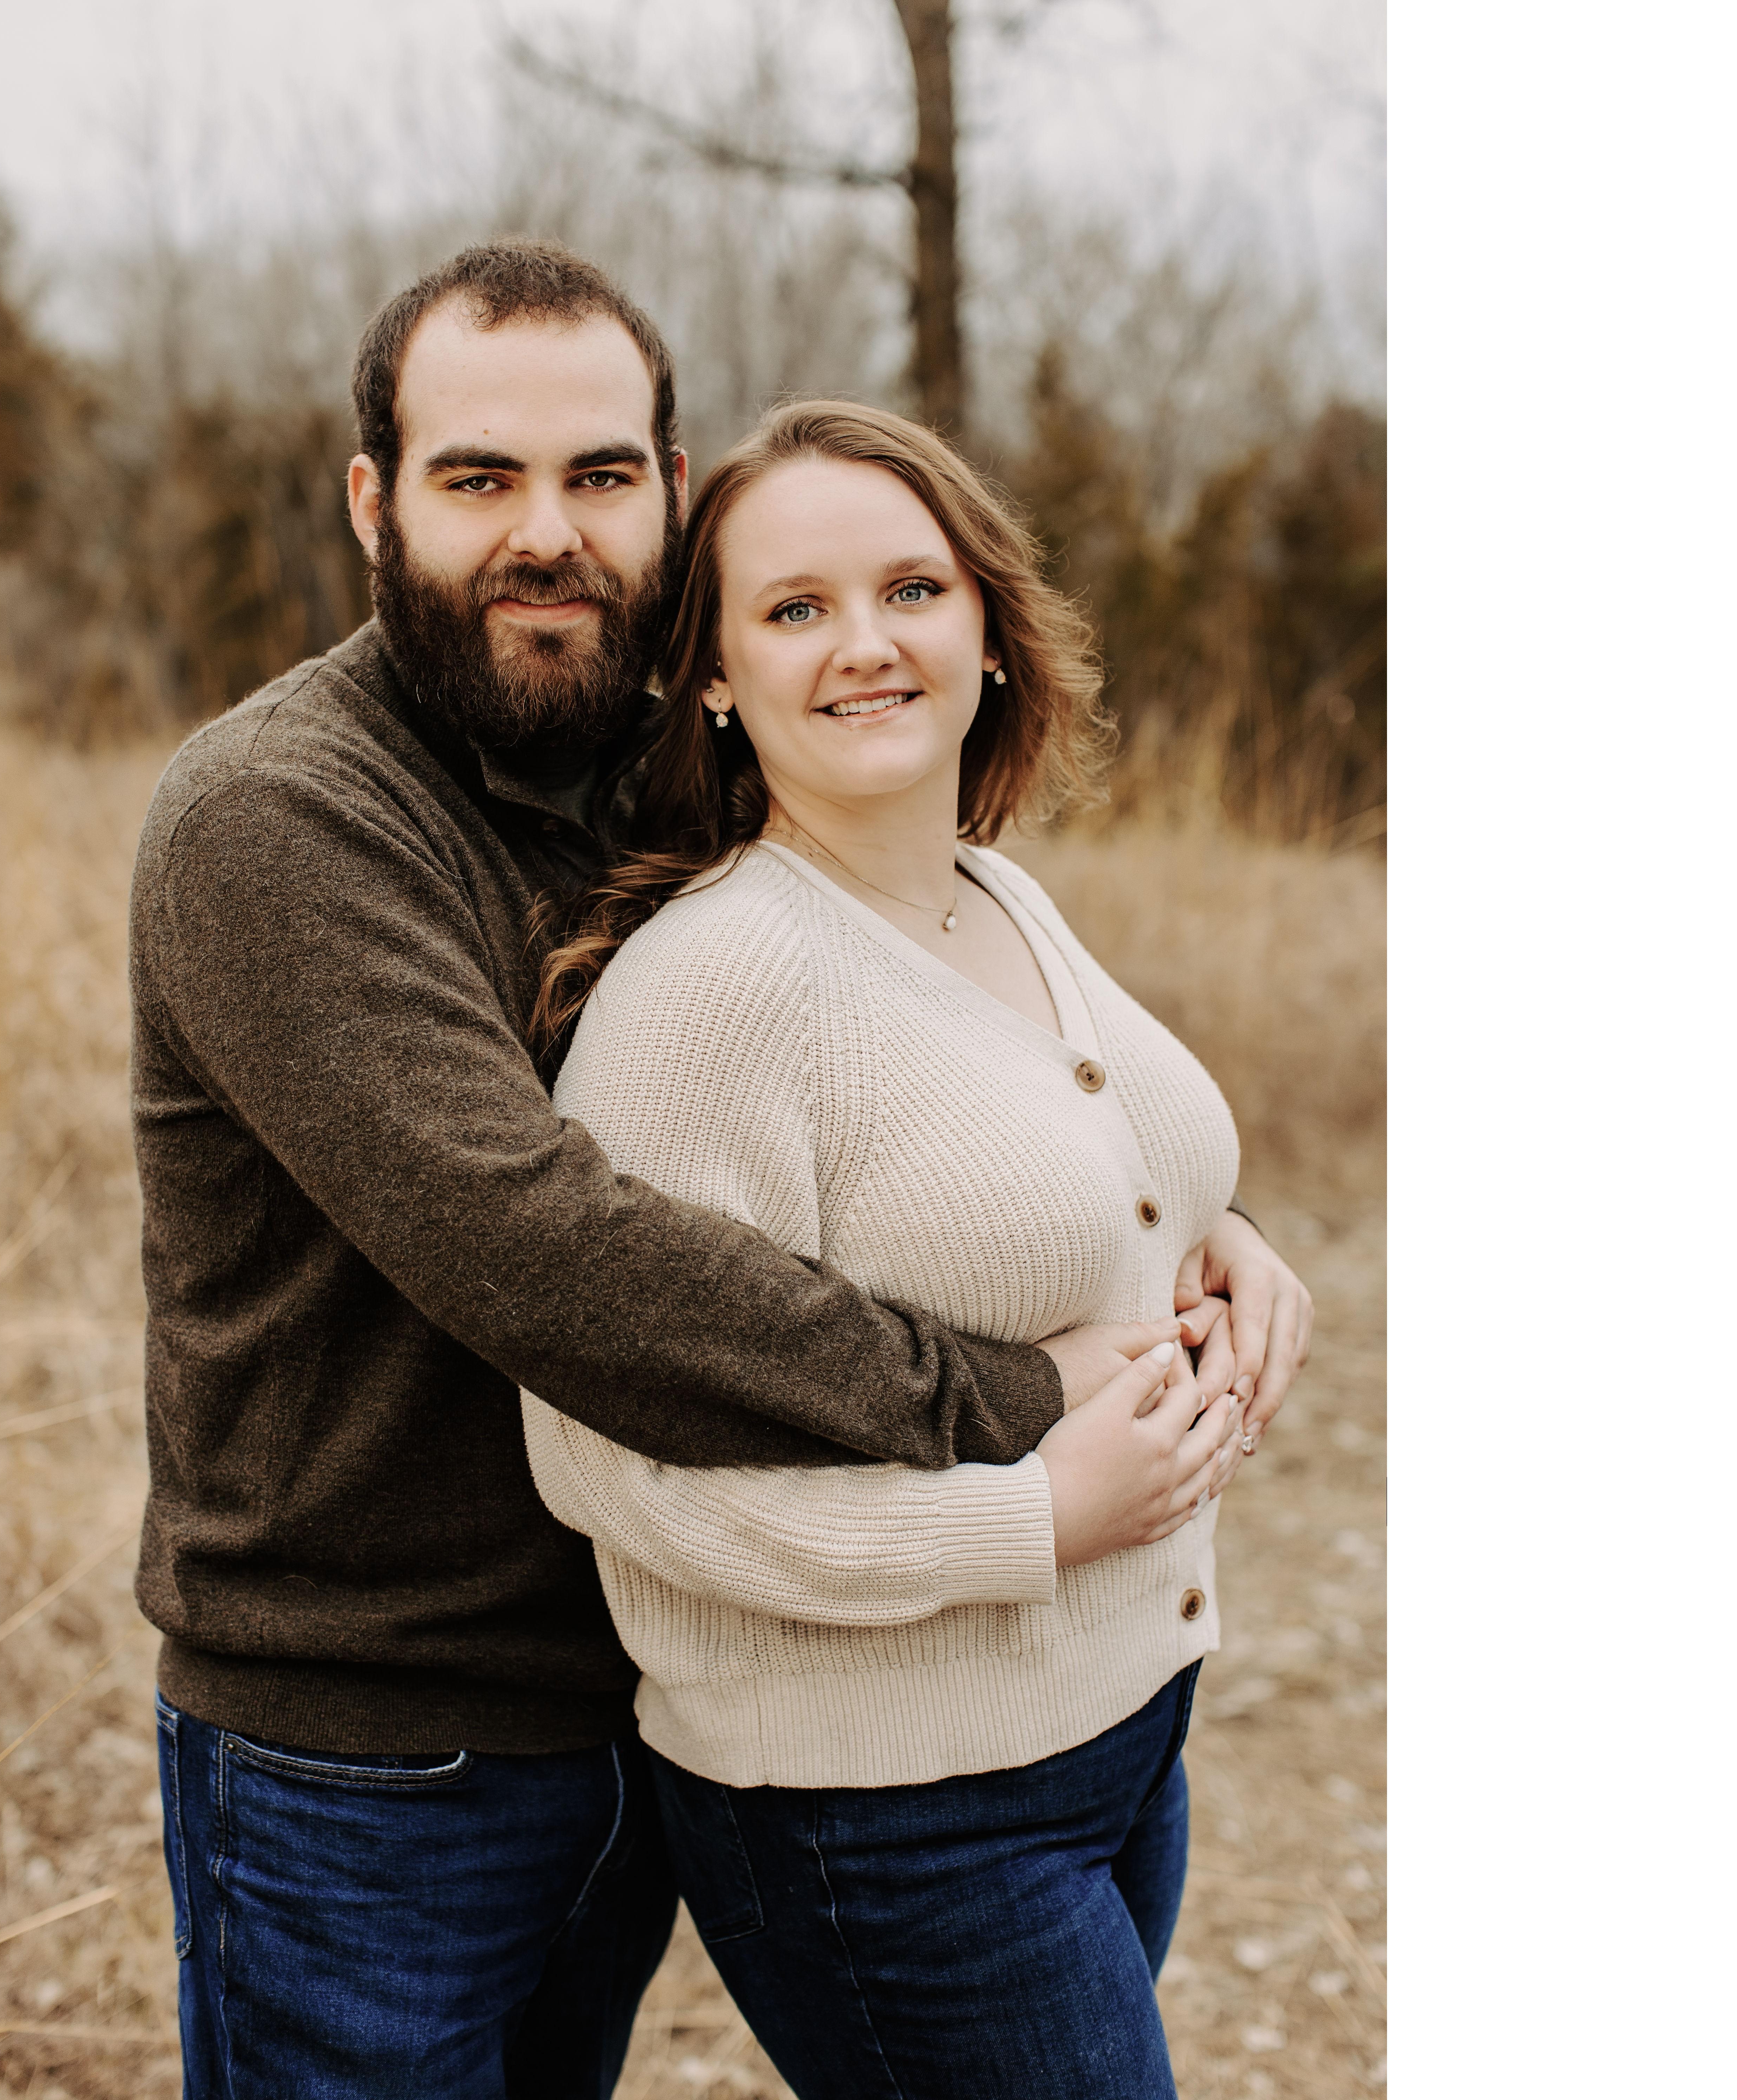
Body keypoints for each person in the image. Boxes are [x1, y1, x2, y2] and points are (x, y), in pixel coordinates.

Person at [128, 238, 1312, 2097]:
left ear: (669, 494)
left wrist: (1190, 1228)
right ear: (373, 502)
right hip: (382, 1741)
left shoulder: (675, 751)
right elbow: (551, 1253)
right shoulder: (278, 819)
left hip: (645, 1690)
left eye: (600, 475)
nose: (546, 534)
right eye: (478, 478)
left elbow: (930, 1076)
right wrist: (1021, 1407)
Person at [521, 398, 1313, 2098]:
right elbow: (607, 1465)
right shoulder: (710, 993)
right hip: (891, 1810)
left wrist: (1227, 1241)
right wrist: (1026, 1522)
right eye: (795, 608)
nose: (865, 644)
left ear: (990, 628)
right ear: (714, 674)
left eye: (910, 590)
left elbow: (1081, 1172)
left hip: (1118, 1728)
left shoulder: (996, 893)